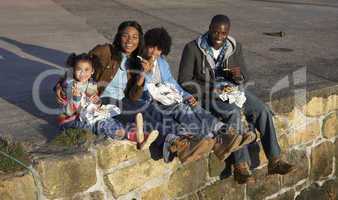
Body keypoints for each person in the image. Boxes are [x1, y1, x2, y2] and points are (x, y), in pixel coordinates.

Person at [55, 21, 208, 162]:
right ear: (118, 36)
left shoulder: (136, 60)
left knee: (151, 109)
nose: (130, 40)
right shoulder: (105, 50)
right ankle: (171, 142)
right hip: (104, 99)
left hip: (124, 100)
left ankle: (184, 140)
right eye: (125, 35)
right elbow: (80, 66)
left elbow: (133, 96)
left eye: (135, 37)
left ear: (139, 40)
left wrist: (142, 74)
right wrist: (59, 85)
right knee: (137, 112)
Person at [178, 15, 295, 183]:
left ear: (228, 32)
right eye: (215, 32)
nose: (219, 37)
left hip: (232, 90)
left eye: (223, 33)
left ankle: (275, 160)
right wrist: (213, 88)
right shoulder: (193, 48)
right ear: (209, 28)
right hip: (207, 94)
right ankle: (240, 167)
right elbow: (184, 81)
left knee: (261, 109)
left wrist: (238, 76)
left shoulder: (234, 47)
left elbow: (245, 76)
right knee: (232, 113)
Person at [127, 27, 257, 163]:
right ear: (145, 45)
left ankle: (222, 133)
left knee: (194, 107)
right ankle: (214, 139)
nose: (154, 52)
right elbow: (140, 93)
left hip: (170, 98)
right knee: (184, 109)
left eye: (158, 49)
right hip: (155, 103)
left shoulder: (162, 63)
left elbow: (172, 83)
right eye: (151, 47)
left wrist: (187, 96)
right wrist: (144, 72)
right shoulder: (137, 63)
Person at [57, 53, 158, 149]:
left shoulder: (90, 83)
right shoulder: (70, 86)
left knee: (111, 120)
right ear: (73, 70)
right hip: (71, 121)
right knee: (102, 125)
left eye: (86, 70)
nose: (82, 73)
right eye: (79, 69)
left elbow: (92, 102)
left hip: (89, 116)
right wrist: (76, 98)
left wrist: (97, 102)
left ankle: (140, 135)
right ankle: (133, 135)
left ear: (92, 71)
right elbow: (69, 111)